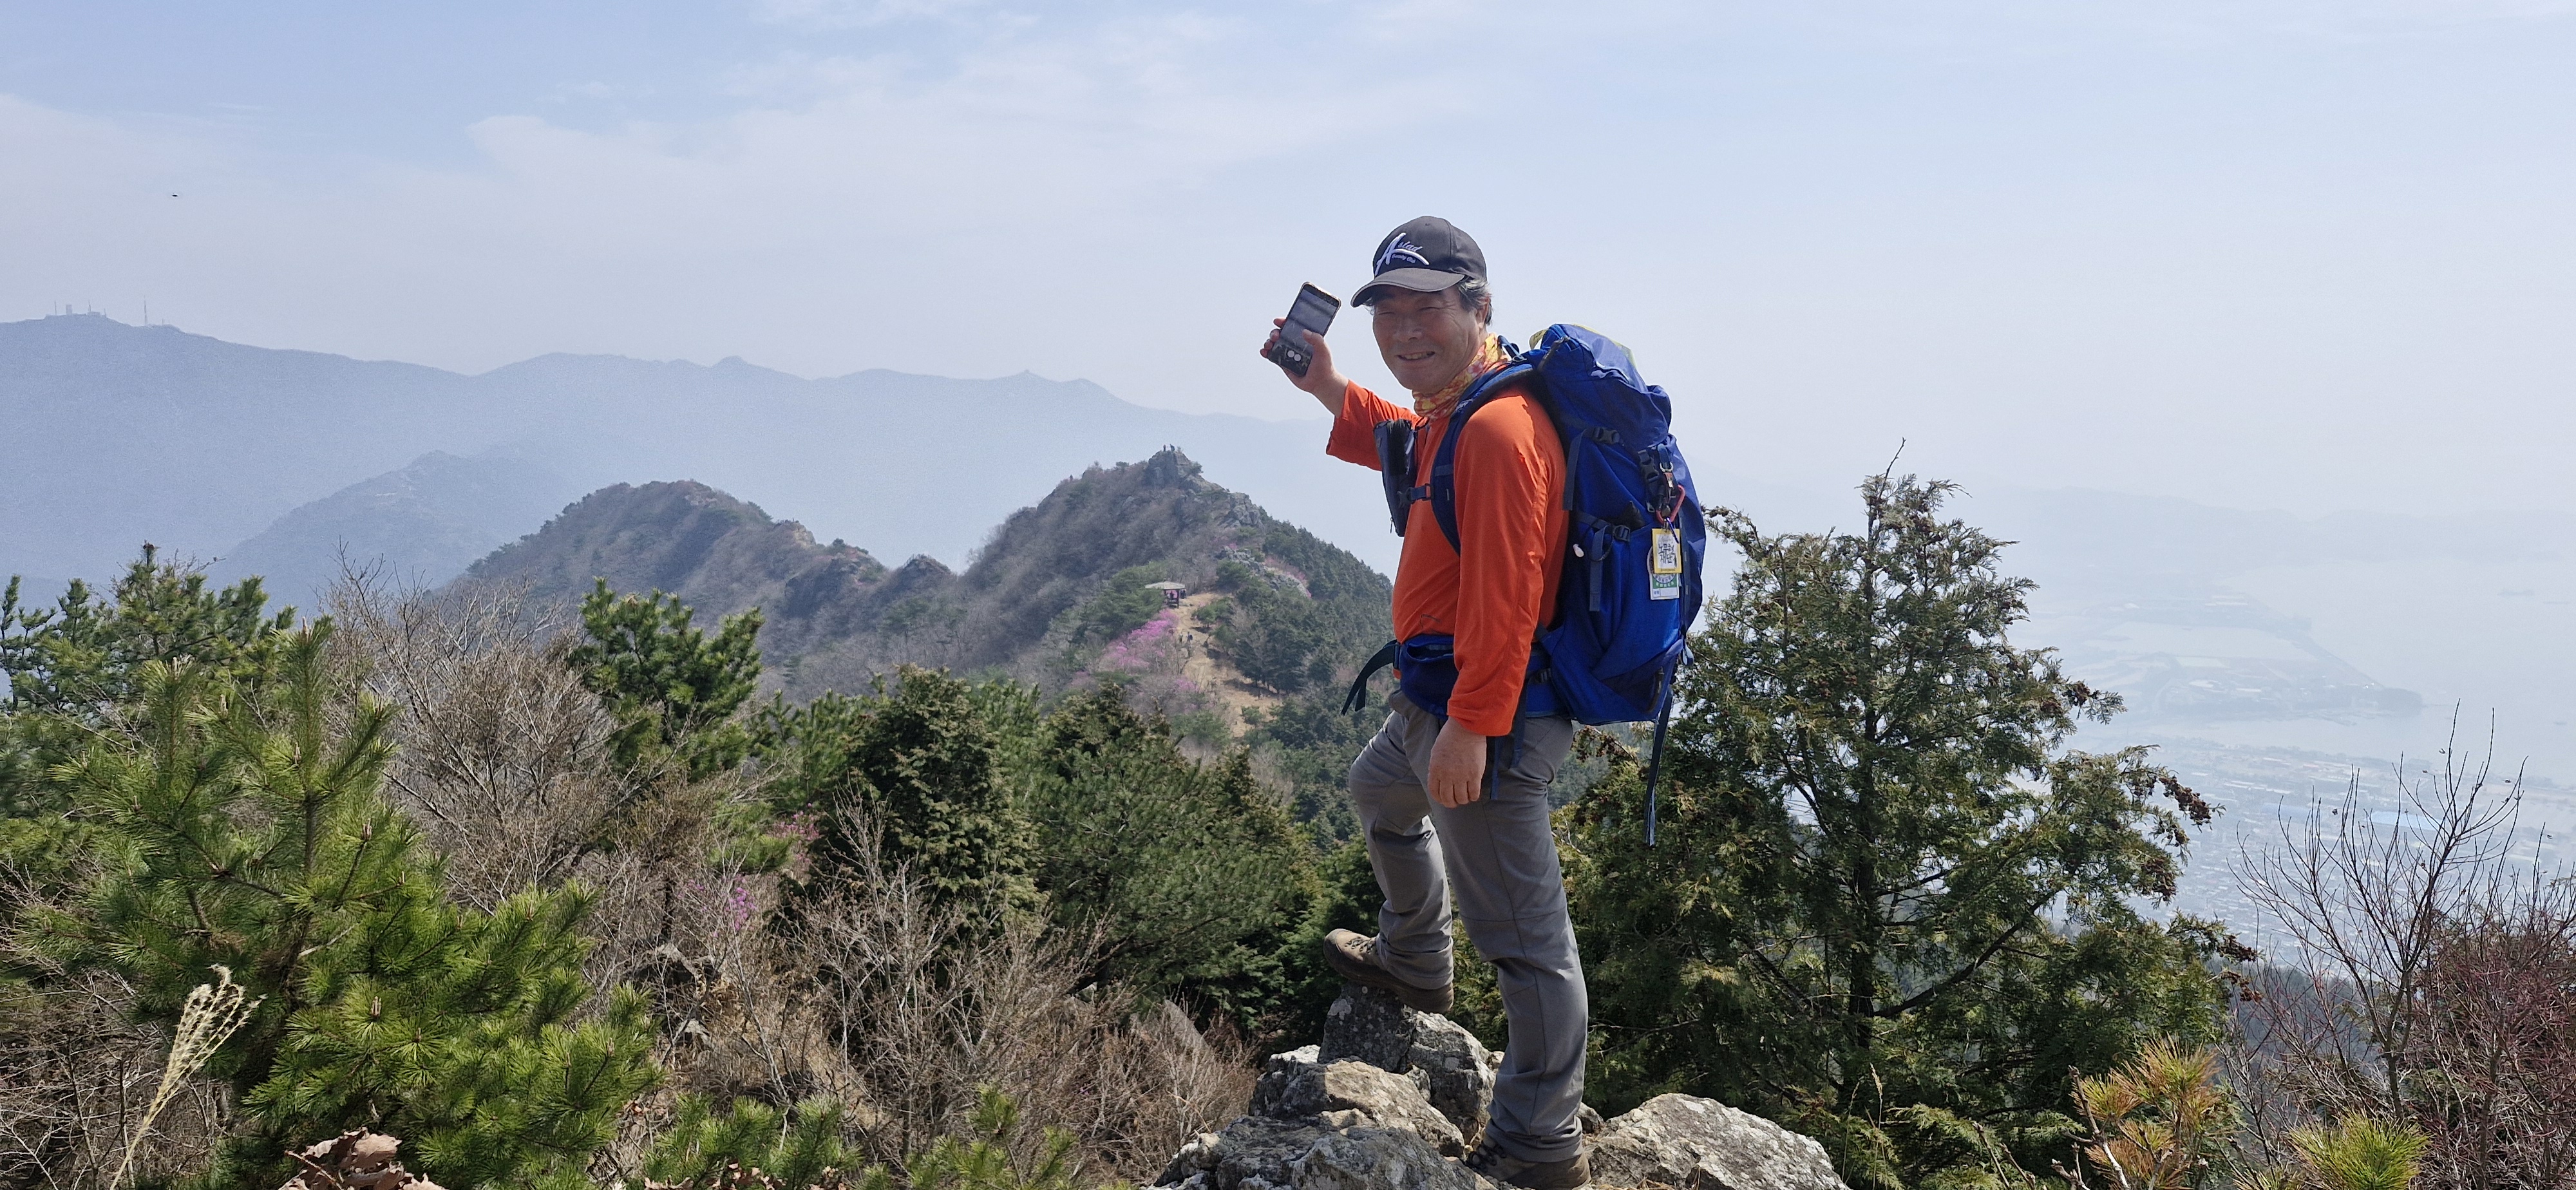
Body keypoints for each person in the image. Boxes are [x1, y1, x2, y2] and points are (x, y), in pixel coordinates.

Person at [1259, 216, 1588, 1190]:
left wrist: (1472, 729)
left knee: (1526, 944)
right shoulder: (1456, 408)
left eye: (1426, 309)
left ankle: (1540, 1143)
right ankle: (1413, 959)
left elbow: (1509, 594)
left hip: (1487, 714)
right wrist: (1324, 384)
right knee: (1379, 793)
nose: (1404, 330)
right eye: (1387, 312)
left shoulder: (1497, 428)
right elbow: (1406, 448)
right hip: (1432, 698)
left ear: (1479, 308)